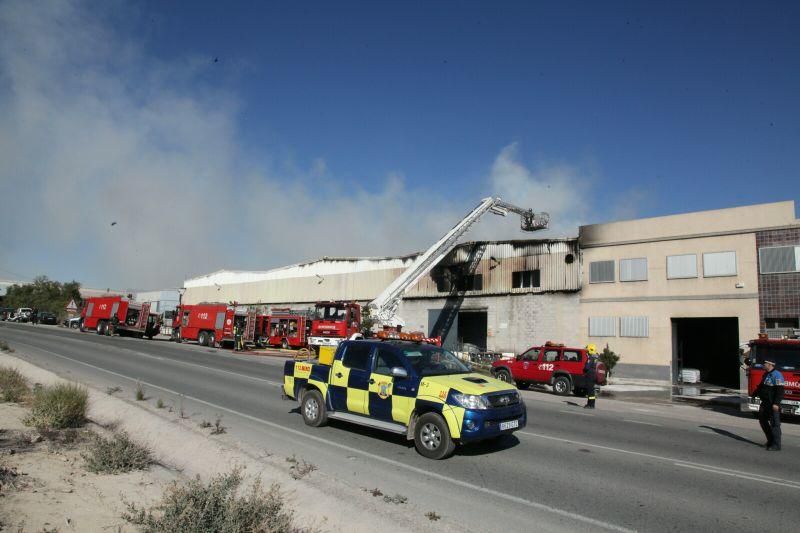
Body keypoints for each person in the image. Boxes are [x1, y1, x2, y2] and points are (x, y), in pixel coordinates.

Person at [753, 359, 784, 451]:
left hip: (772, 403)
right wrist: (754, 395)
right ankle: (770, 440)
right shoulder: (766, 374)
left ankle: (776, 444)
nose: (763, 365)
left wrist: (776, 403)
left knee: (775, 424)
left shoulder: (777, 375)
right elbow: (761, 386)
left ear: (770, 365)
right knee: (762, 420)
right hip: (765, 402)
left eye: (765, 363)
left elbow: (780, 391)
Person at [583, 344, 599, 409]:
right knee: (592, 391)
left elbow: (587, 367)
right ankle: (591, 404)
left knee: (590, 391)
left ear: (590, 350)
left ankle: (590, 405)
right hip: (595, 375)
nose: (587, 352)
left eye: (587, 350)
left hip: (590, 375)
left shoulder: (591, 358)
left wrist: (585, 366)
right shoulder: (597, 357)